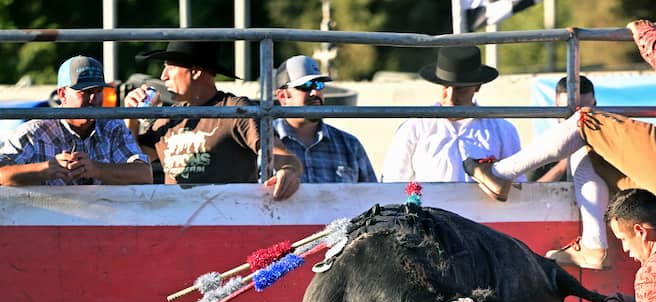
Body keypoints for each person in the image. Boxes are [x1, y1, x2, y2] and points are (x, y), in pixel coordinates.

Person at [464, 13, 656, 268]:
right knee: (590, 157)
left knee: (588, 120)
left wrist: (646, 30)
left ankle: (499, 175)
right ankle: (592, 247)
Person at [124, 41, 302, 200]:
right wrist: (131, 117)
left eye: (170, 67)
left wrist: (289, 171)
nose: (163, 76)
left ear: (195, 71)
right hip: (178, 226)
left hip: (228, 224)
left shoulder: (236, 109)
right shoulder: (168, 119)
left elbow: (283, 156)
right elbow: (131, 167)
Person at [0, 55, 152, 186]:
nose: (94, 99)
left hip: (101, 218)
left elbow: (145, 174)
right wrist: (44, 169)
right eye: (85, 92)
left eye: (98, 91)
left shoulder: (113, 128)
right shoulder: (33, 132)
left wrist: (96, 169)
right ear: (62, 94)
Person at [380, 46, 521, 182]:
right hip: (426, 206)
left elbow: (518, 184)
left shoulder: (503, 130)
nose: (451, 97)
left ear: (477, 87)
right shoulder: (414, 128)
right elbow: (393, 182)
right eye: (446, 86)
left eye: (460, 89)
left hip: (483, 207)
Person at [535, 75, 610, 270]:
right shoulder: (542, 148)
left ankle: (594, 245)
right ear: (556, 109)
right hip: (549, 243)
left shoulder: (609, 146)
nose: (578, 121)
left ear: (595, 105)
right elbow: (529, 194)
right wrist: (562, 164)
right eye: (570, 114)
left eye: (586, 112)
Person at [273, 55, 376, 183]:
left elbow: (373, 197)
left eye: (319, 84)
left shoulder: (350, 145)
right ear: (282, 96)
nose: (315, 92)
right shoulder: (261, 142)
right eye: (306, 85)